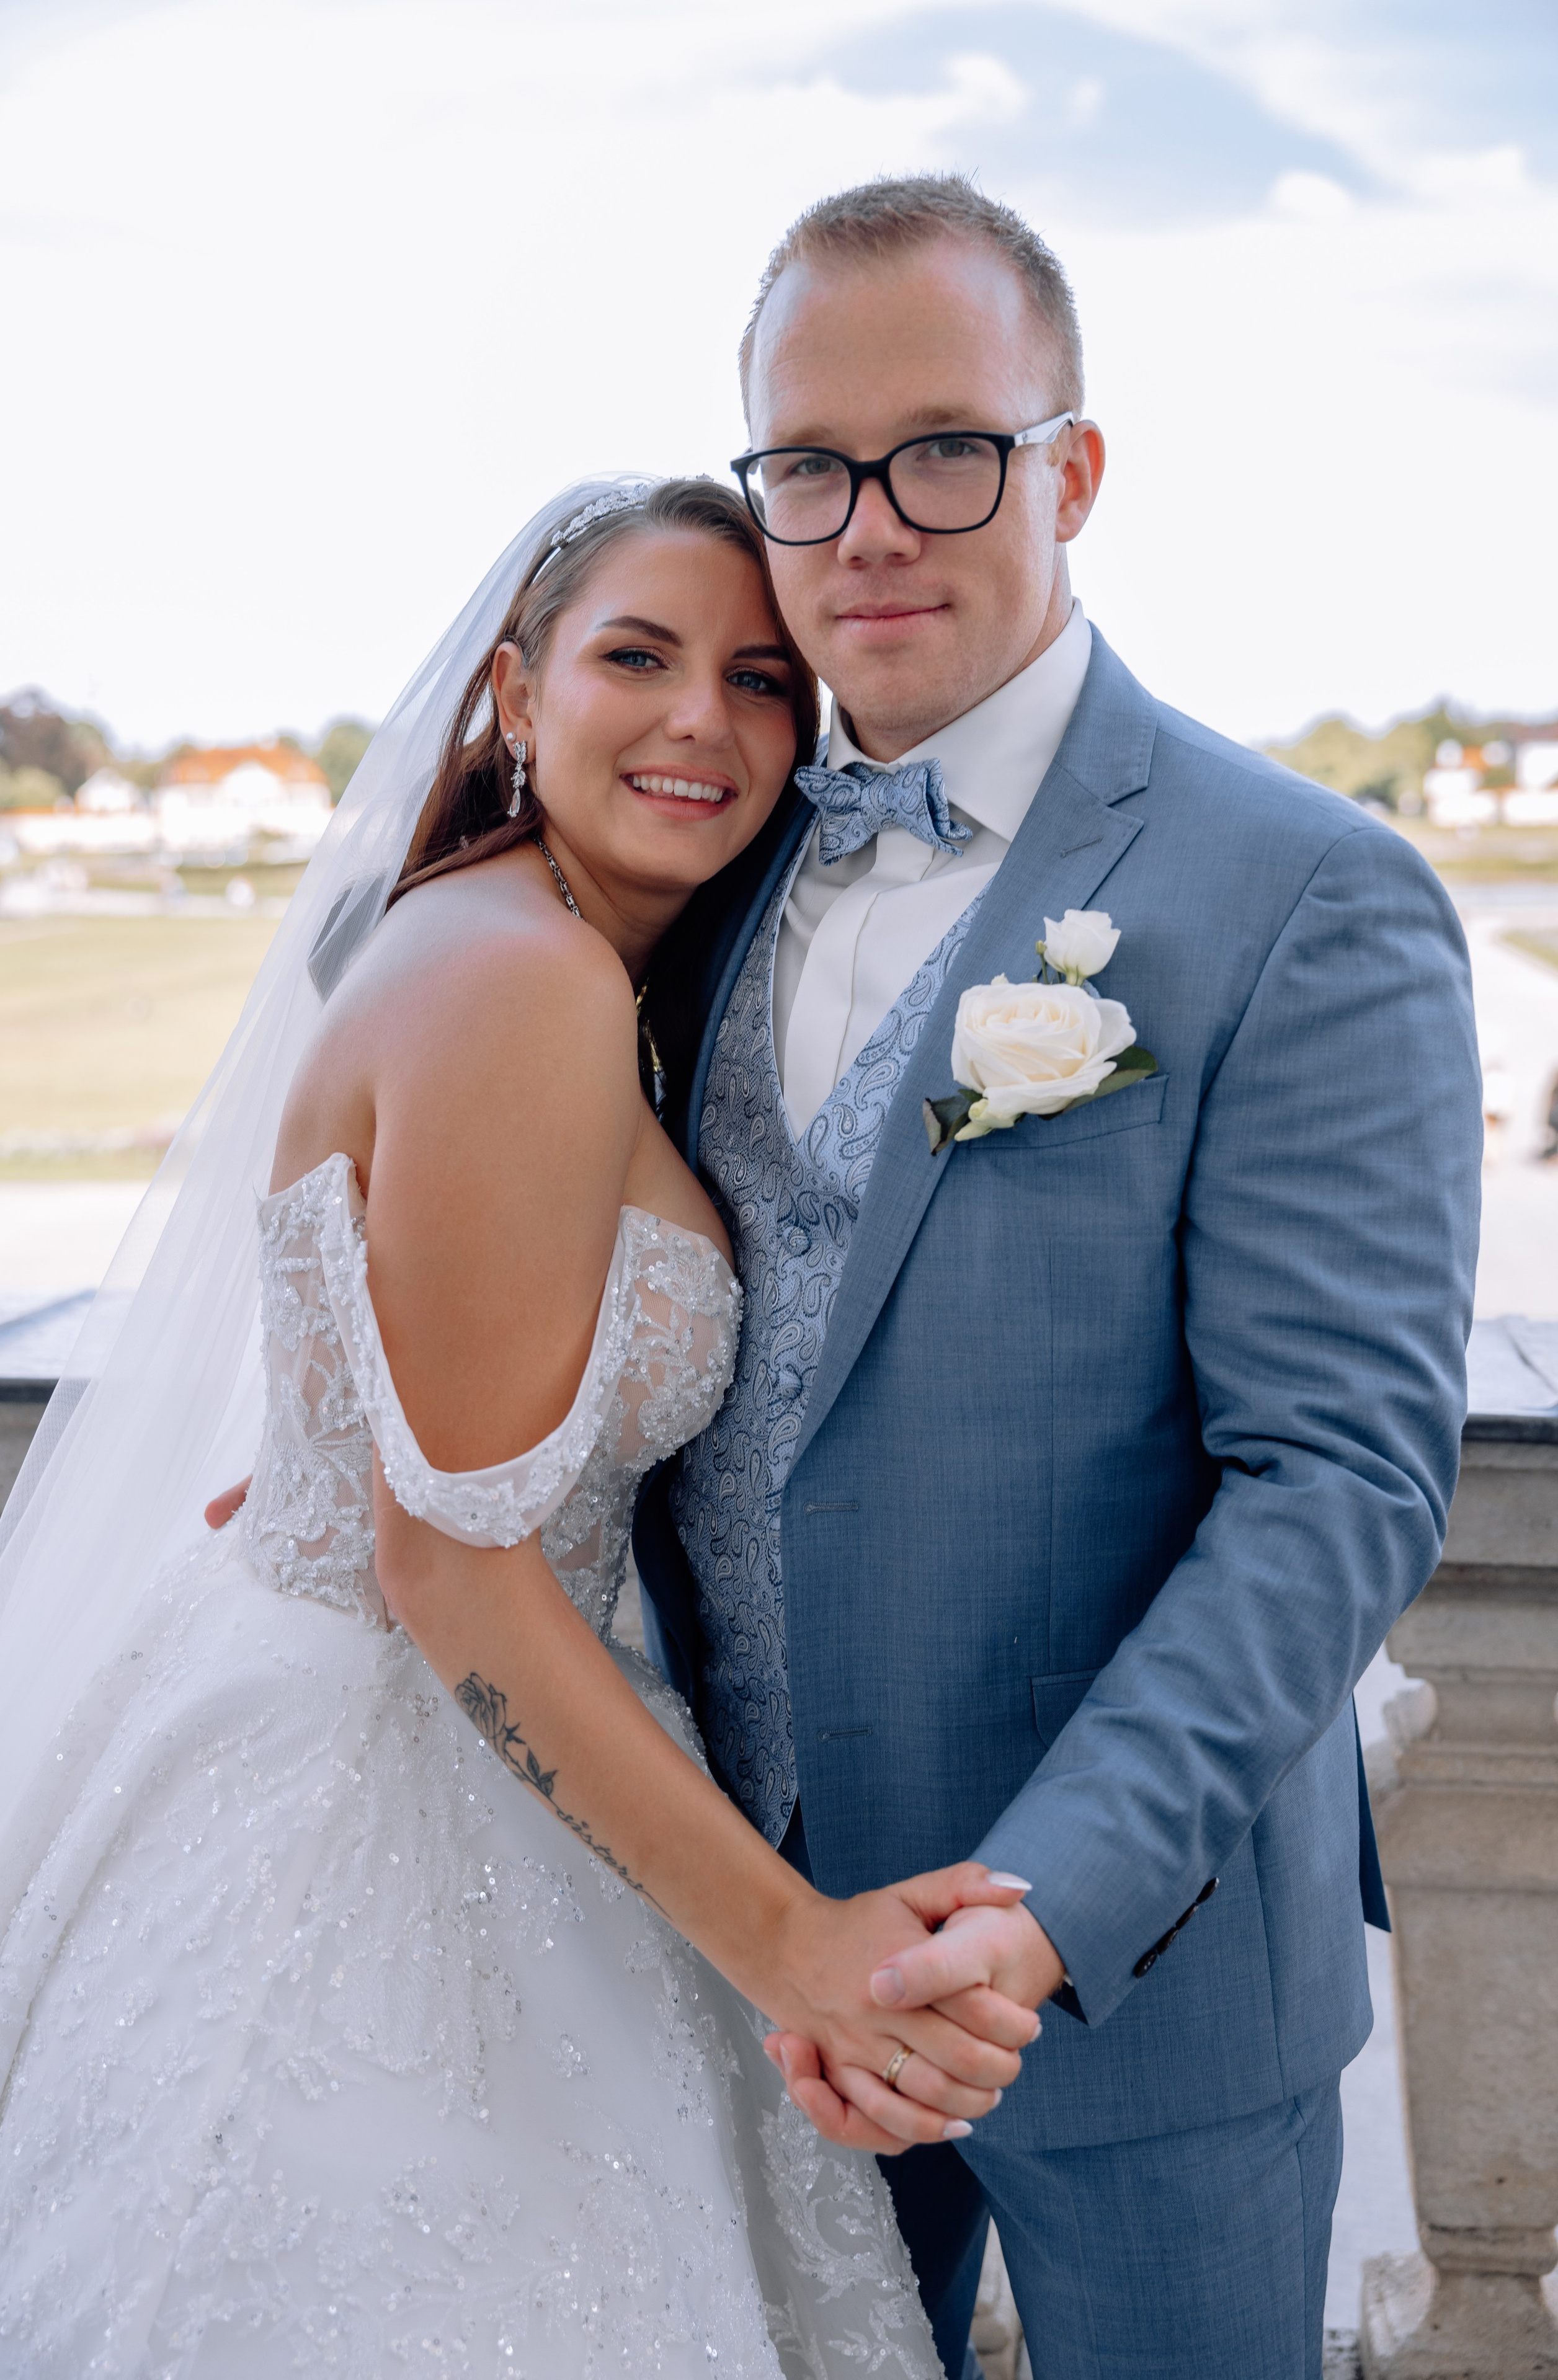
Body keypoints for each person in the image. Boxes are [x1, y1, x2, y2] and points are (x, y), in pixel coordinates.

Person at [0, 477, 1039, 2377]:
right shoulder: (519, 982)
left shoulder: (534, 950)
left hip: (418, 1720)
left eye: (764, 678)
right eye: (638, 655)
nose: (707, 720)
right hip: (384, 1808)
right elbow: (446, 1565)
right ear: (514, 696)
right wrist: (798, 1945)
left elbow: (433, 1420)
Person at [631, 179, 1484, 2380]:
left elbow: (1339, 1482)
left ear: (1074, 468)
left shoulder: (1305, 893)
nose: (870, 528)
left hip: (1133, 1983)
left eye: (949, 450)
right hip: (739, 1954)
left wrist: (1033, 1916)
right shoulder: (698, 872)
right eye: (808, 467)